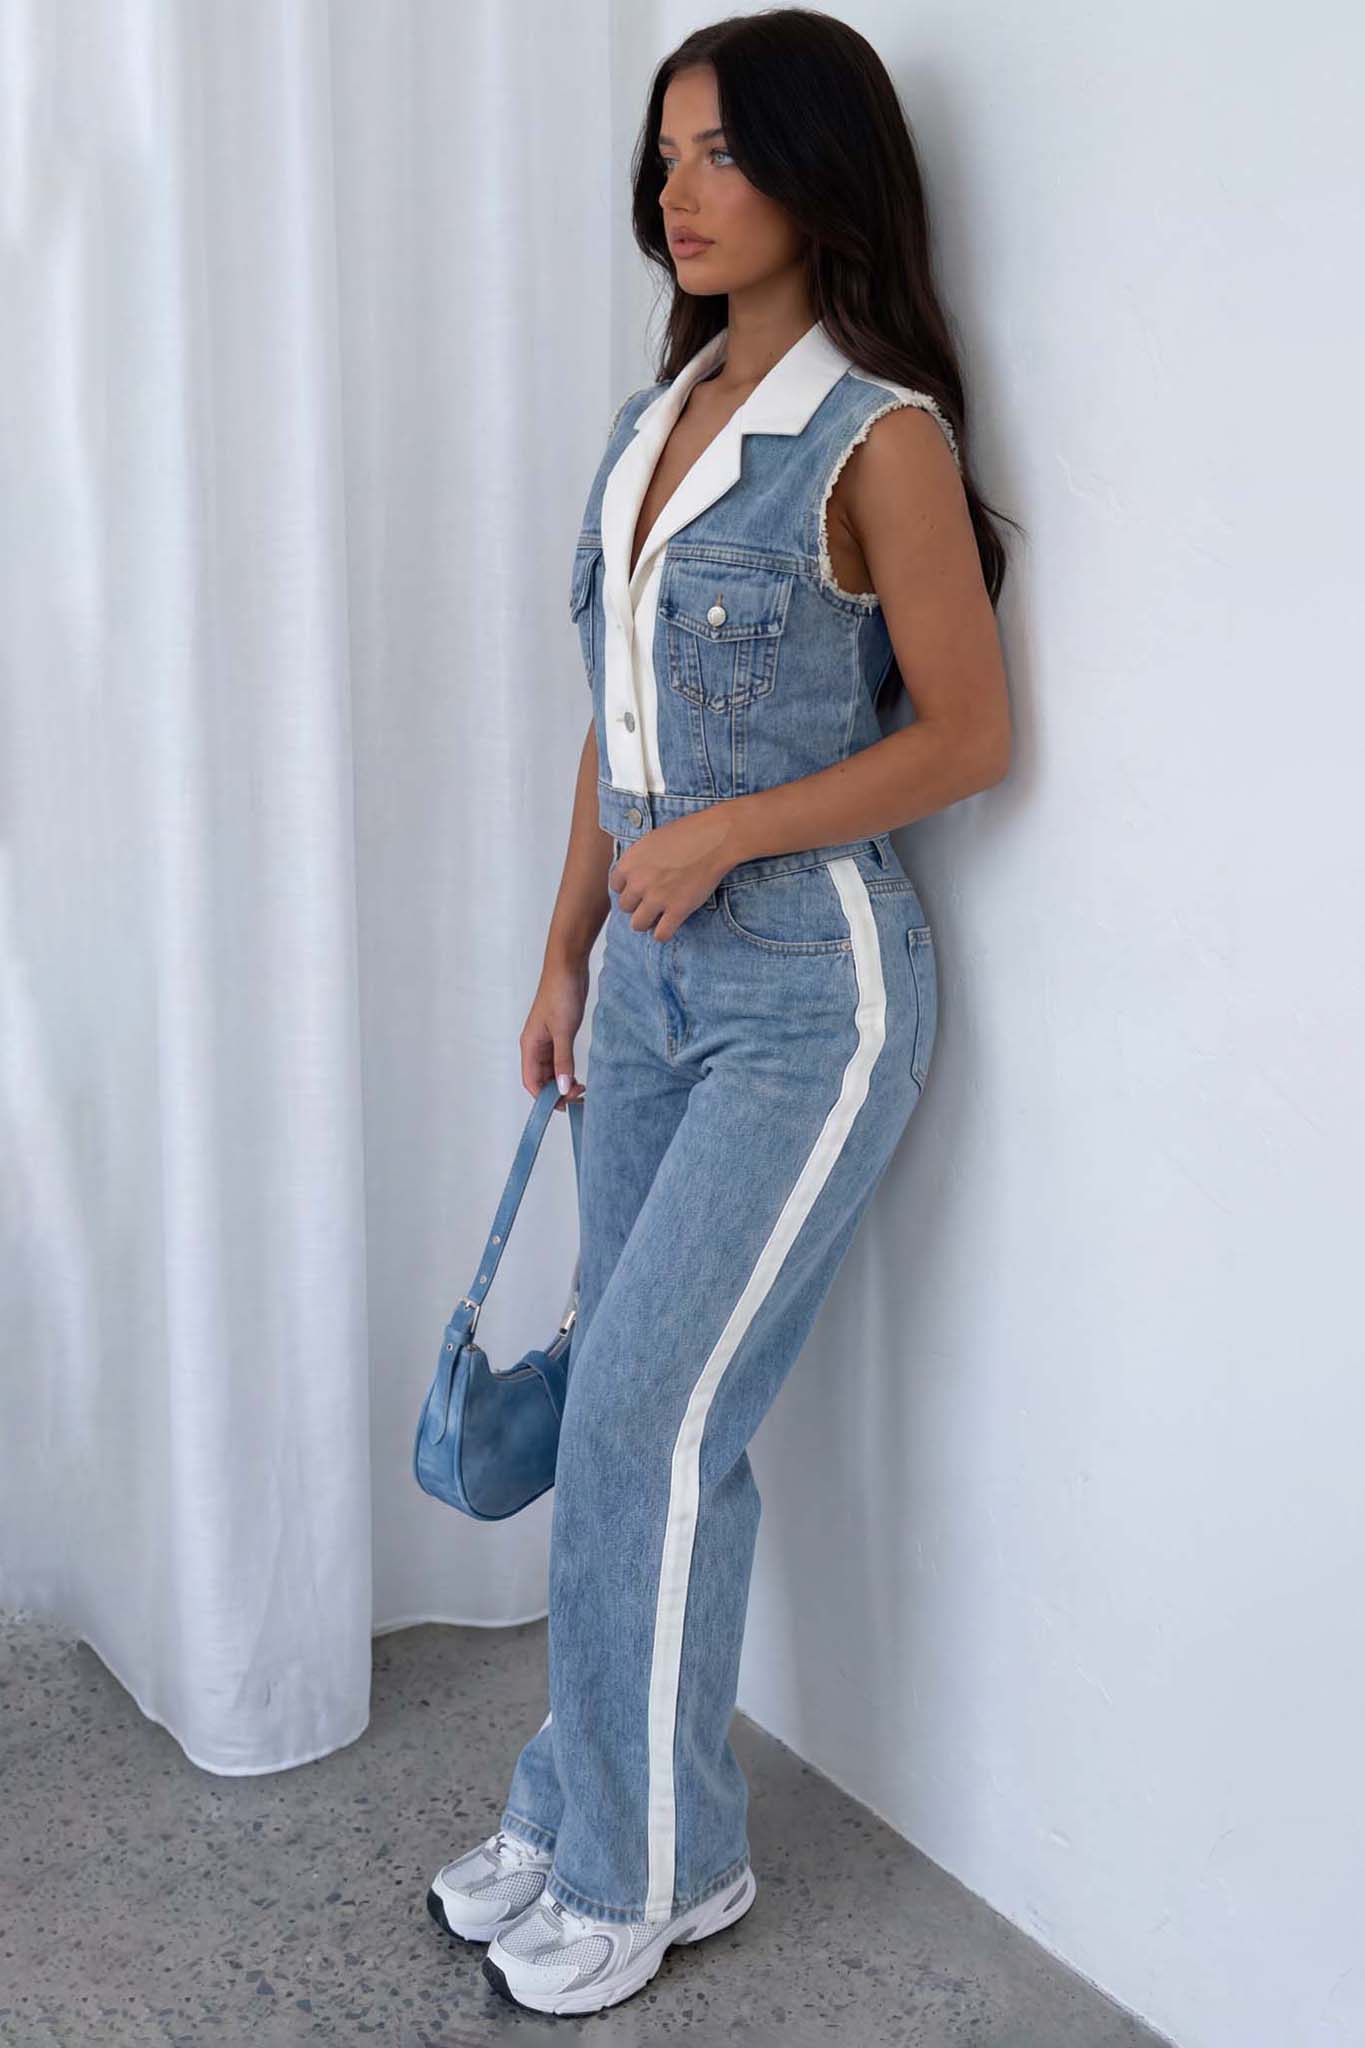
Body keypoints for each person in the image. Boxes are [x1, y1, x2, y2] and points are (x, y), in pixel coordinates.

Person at [428, 8, 1015, 2017]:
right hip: (648, 988)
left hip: (803, 1001)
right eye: (666, 153)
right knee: (644, 1420)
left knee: (636, 1419)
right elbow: (613, 738)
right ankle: (590, 1801)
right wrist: (562, 952)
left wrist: (732, 833)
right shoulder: (656, 420)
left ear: (814, 173)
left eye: (724, 153)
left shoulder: (878, 438)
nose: (679, 192)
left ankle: (646, 1867)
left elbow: (967, 737)